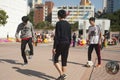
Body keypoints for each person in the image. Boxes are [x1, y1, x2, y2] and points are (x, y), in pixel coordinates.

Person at [52, 10, 71, 80]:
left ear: (58, 16)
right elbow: (70, 36)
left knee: (55, 59)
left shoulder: (58, 23)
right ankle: (62, 77)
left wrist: (54, 47)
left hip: (60, 43)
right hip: (67, 43)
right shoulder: (68, 24)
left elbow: (57, 36)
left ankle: (62, 74)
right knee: (64, 61)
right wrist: (69, 44)